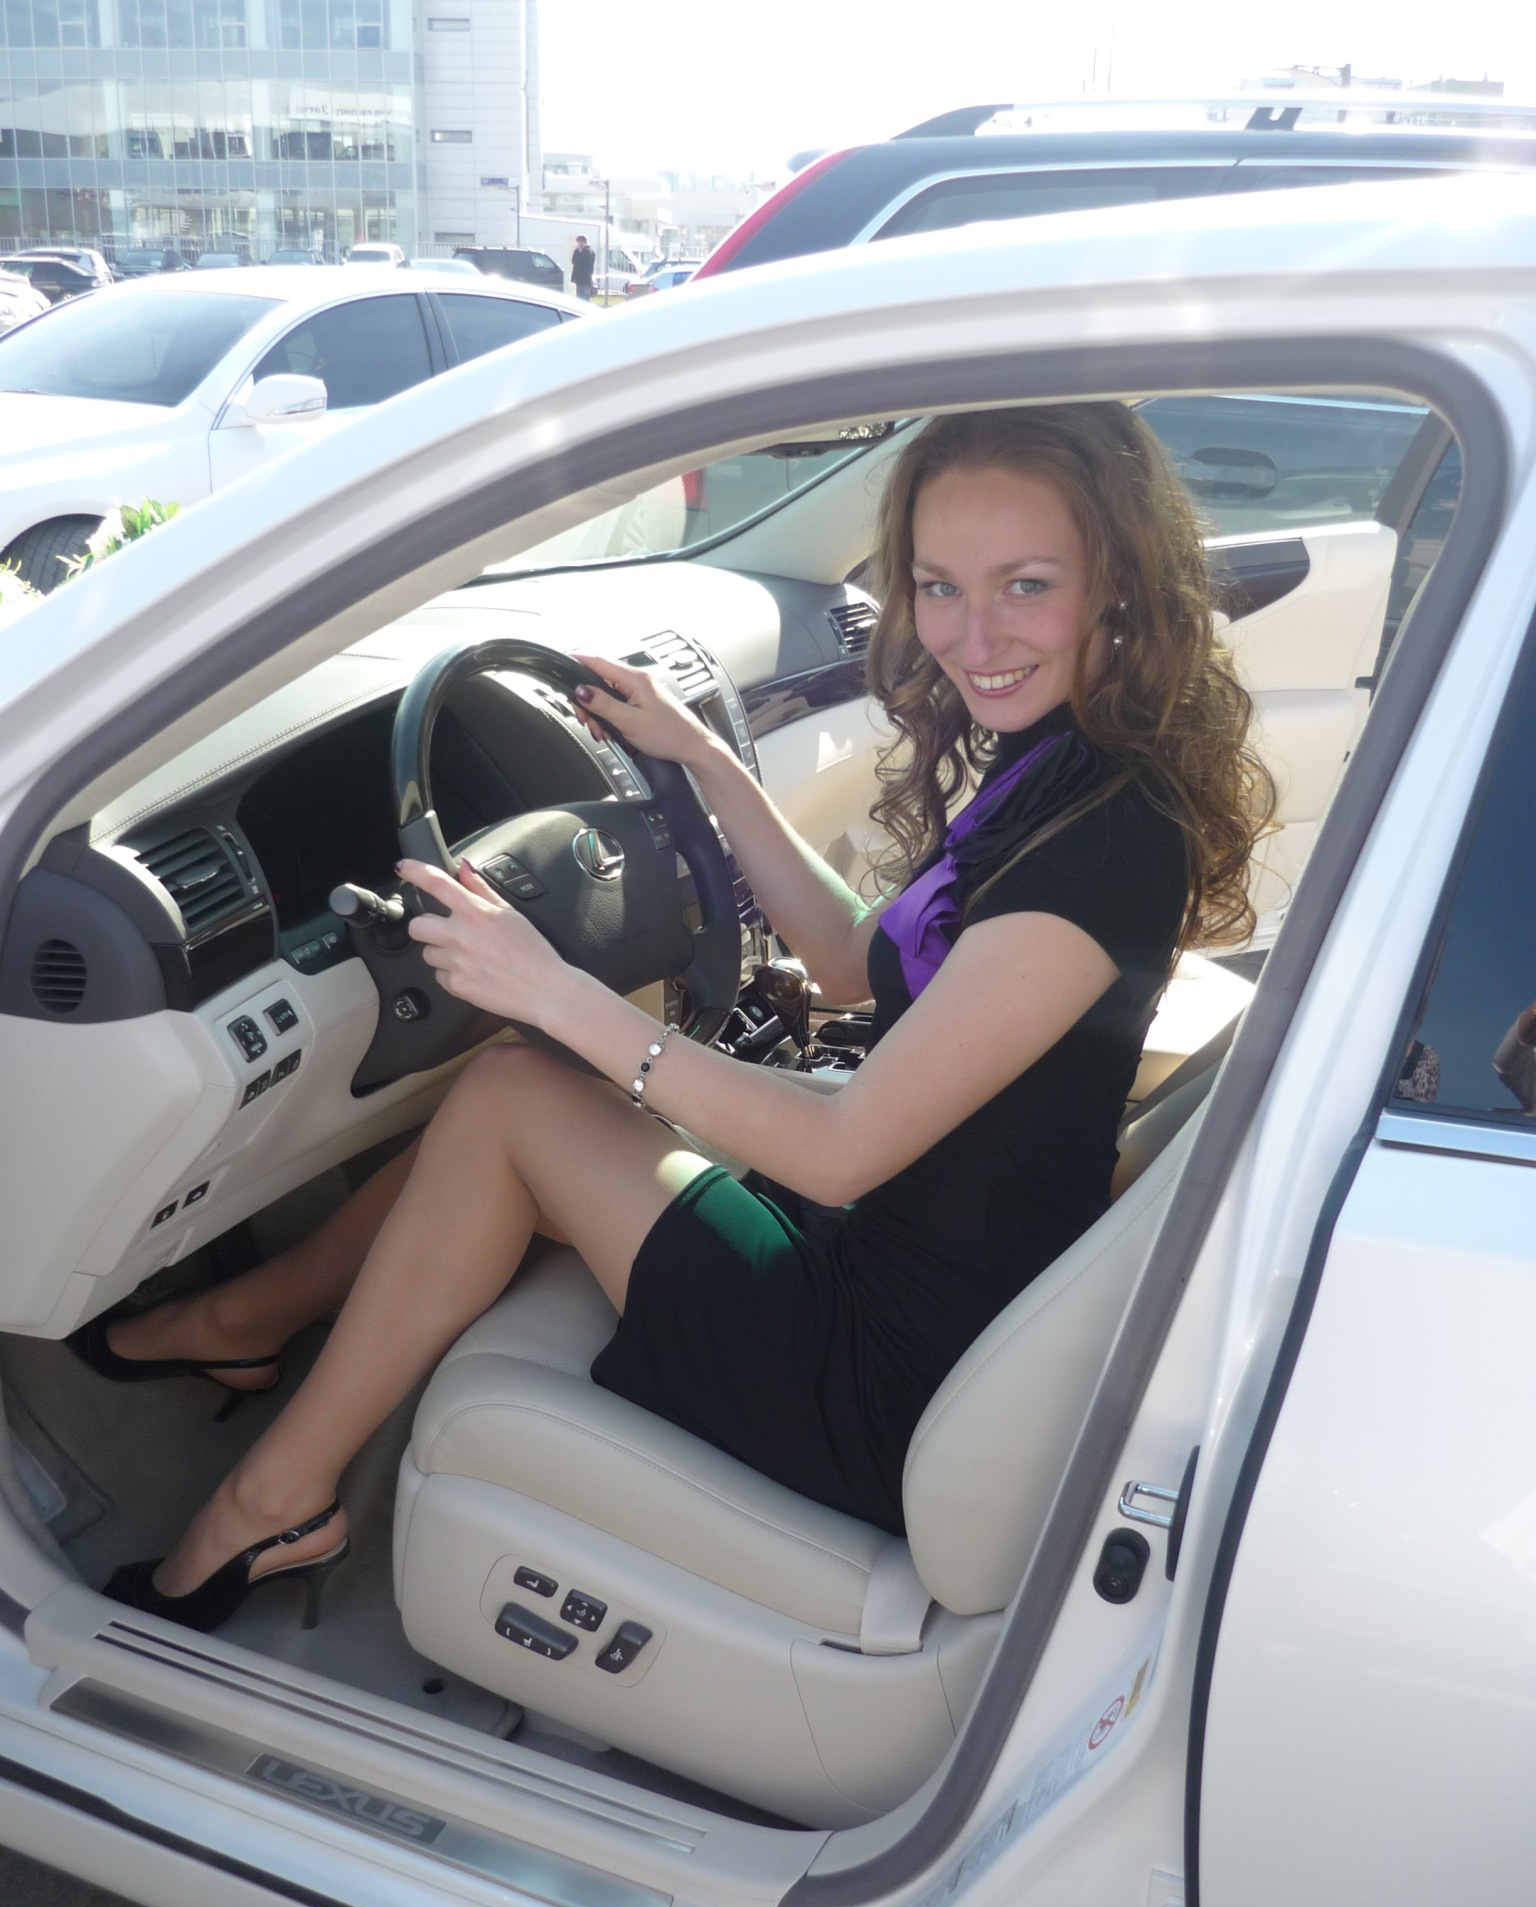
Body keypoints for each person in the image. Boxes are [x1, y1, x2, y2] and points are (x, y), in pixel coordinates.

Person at [101, 402, 1273, 1630]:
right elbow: (858, 964)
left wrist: (553, 989)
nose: (974, 638)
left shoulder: (1099, 847)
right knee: (536, 1083)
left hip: (885, 1368)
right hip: (907, 1254)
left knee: (510, 1089)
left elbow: (839, 1149)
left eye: (1026, 585)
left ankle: (272, 1496)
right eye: (939, 586)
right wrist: (707, 763)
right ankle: (245, 1322)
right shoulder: (1062, 767)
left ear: (1117, 581)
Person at [569, 234, 595, 301]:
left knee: (582, 298)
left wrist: (577, 250)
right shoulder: (590, 251)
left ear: (582, 242)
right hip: (585, 280)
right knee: (584, 298)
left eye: (578, 242)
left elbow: (576, 261)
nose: (577, 244)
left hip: (582, 279)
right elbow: (573, 261)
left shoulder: (586, 252)